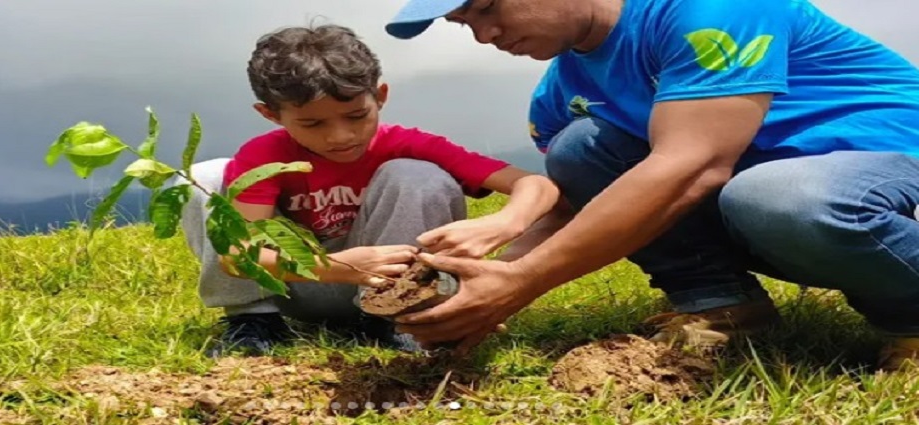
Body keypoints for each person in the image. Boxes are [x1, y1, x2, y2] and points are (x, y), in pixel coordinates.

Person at [382, 0, 919, 371]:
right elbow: (578, 205)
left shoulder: (705, 9)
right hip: (763, 203)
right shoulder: (560, 93)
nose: (484, 35)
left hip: (884, 169)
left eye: (486, 7)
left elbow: (693, 165)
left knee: (778, 195)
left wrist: (523, 281)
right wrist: (490, 277)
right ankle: (722, 307)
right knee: (580, 146)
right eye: (463, 23)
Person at [174, 23, 559, 357]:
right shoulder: (266, 156)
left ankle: (397, 318)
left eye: (357, 116)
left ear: (381, 96)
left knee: (419, 174)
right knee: (204, 178)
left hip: (385, 284)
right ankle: (254, 321)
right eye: (312, 124)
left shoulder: (405, 143)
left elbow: (534, 184)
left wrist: (504, 223)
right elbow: (238, 256)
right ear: (271, 114)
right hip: (301, 284)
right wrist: (338, 267)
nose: (340, 136)